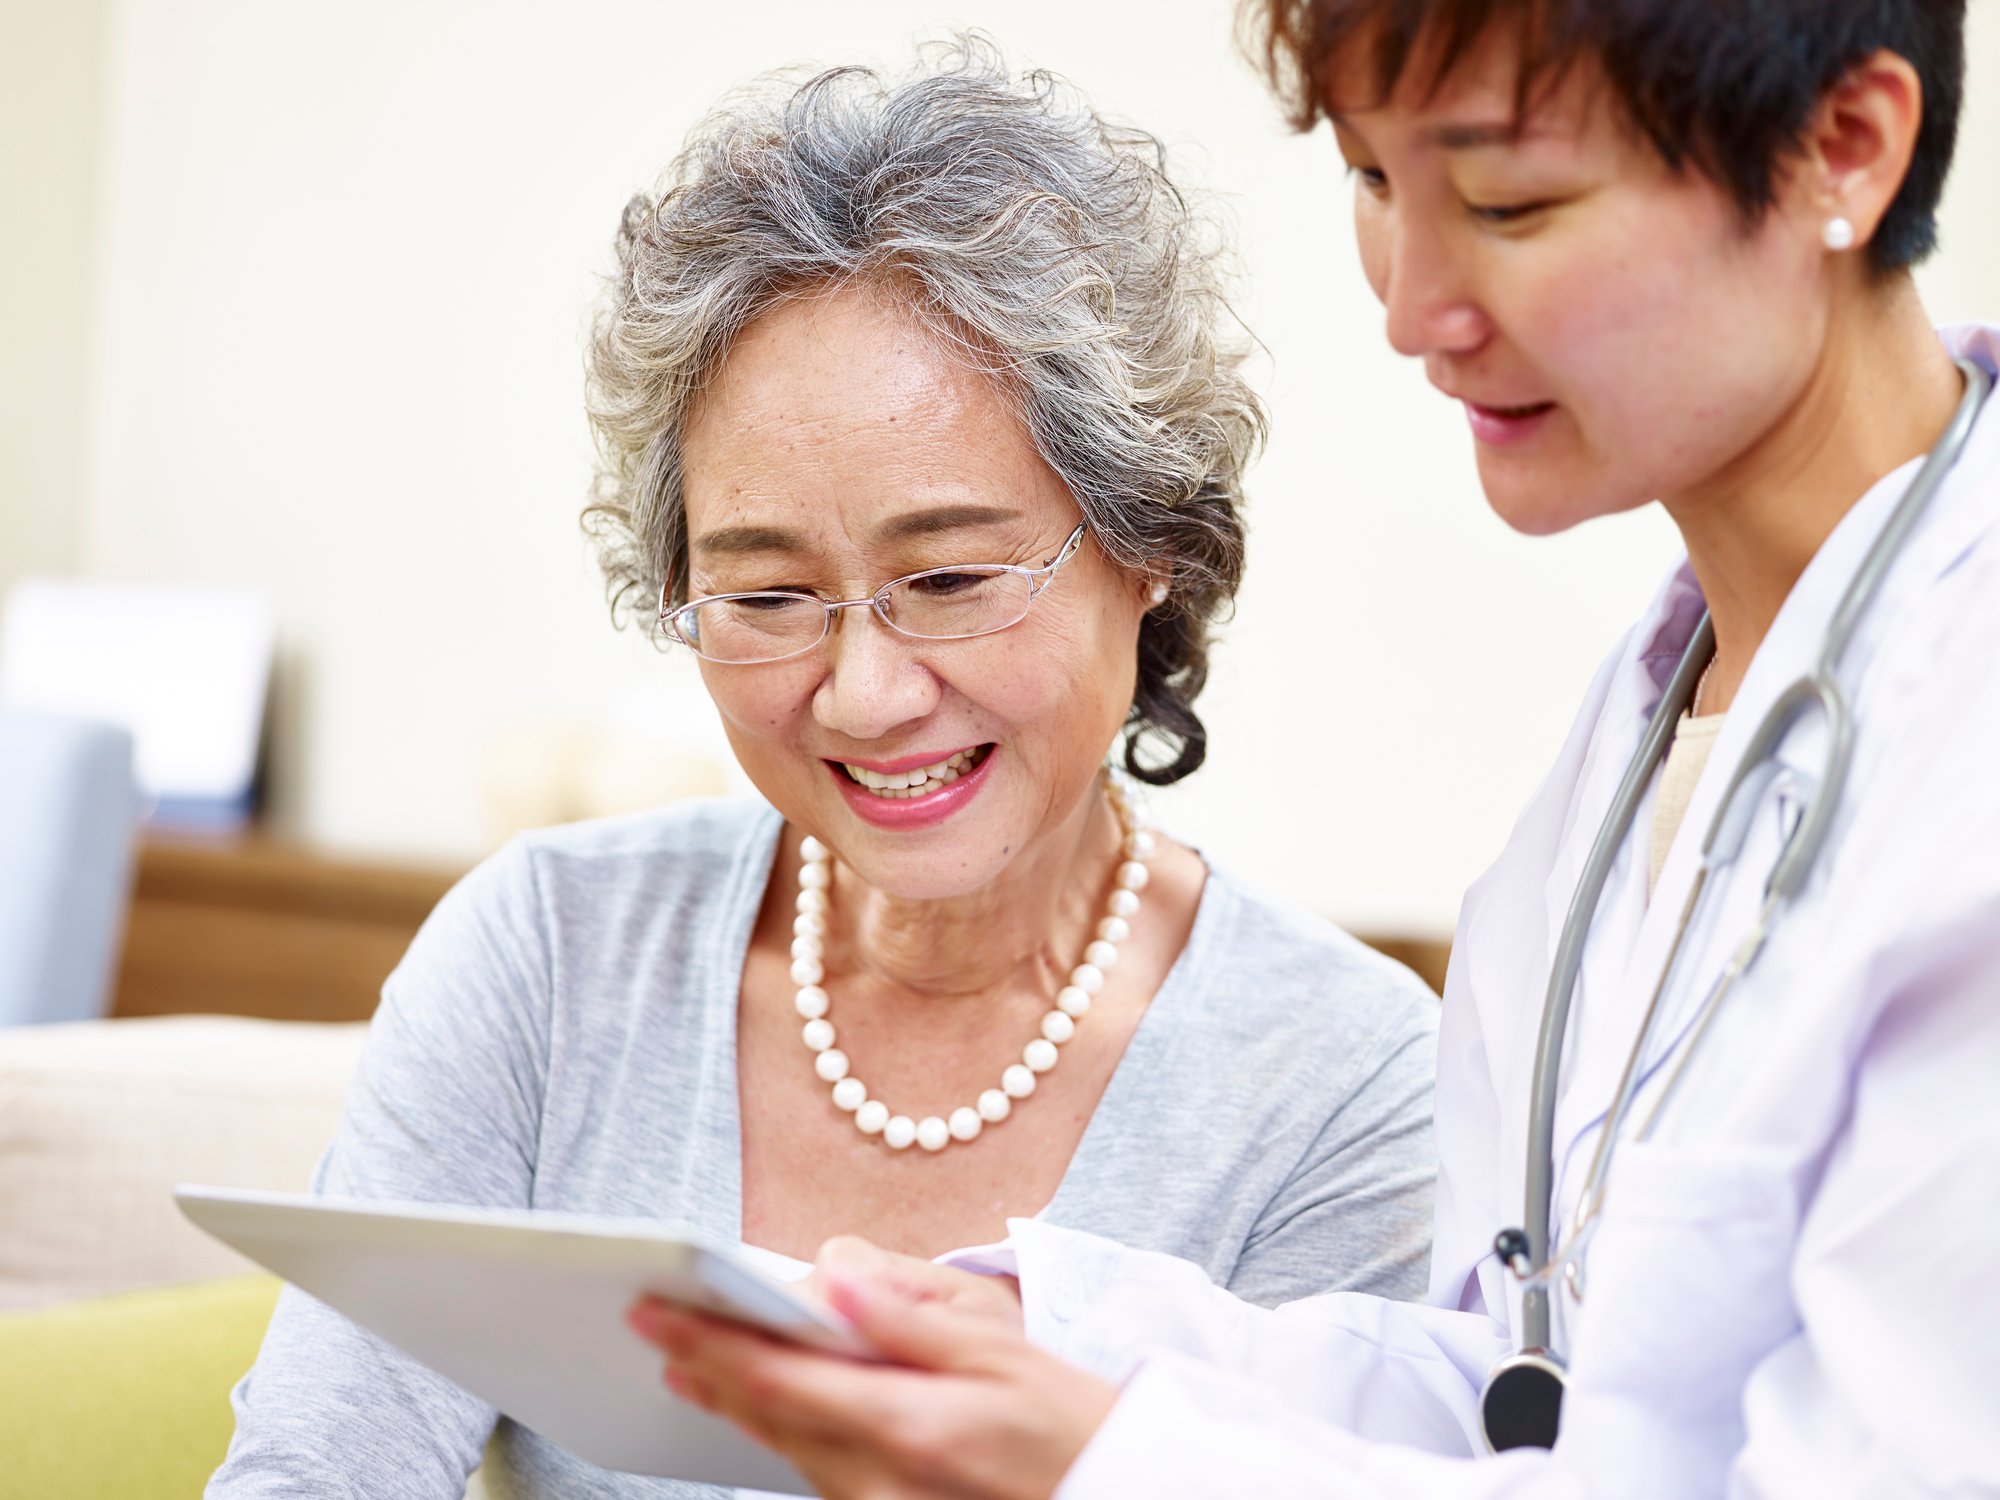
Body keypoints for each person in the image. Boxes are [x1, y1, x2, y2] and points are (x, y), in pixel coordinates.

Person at [630, 3, 2000, 1495]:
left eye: (1505, 203)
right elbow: (1536, 1398)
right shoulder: (1639, 751)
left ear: (1841, 149)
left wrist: (1118, 1465)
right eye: (1372, 182)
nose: (1413, 309)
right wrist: (1051, 1335)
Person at [207, 40, 1445, 1500]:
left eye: (952, 577)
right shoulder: (548, 958)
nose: (863, 693)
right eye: (772, 596)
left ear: (1149, 544)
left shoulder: (1338, 1085)